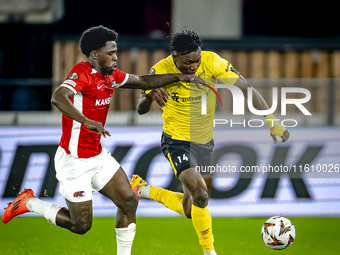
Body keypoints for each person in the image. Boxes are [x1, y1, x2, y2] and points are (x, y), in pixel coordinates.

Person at [1, 26, 205, 255]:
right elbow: (58, 97)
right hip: (74, 161)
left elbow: (142, 80)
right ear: (95, 54)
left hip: (97, 156)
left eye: (116, 52)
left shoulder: (111, 76)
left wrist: (179, 76)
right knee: (81, 226)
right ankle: (29, 203)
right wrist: (84, 119)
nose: (116, 57)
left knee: (129, 201)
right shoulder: (81, 73)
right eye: (111, 53)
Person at [130, 30, 290, 255]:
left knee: (191, 207)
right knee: (201, 194)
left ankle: (143, 190)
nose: (194, 66)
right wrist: (149, 94)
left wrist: (272, 121)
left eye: (197, 60)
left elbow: (245, 87)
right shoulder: (161, 70)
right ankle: (209, 252)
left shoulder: (212, 61)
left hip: (204, 144)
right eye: (188, 62)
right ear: (175, 57)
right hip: (176, 140)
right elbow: (140, 109)